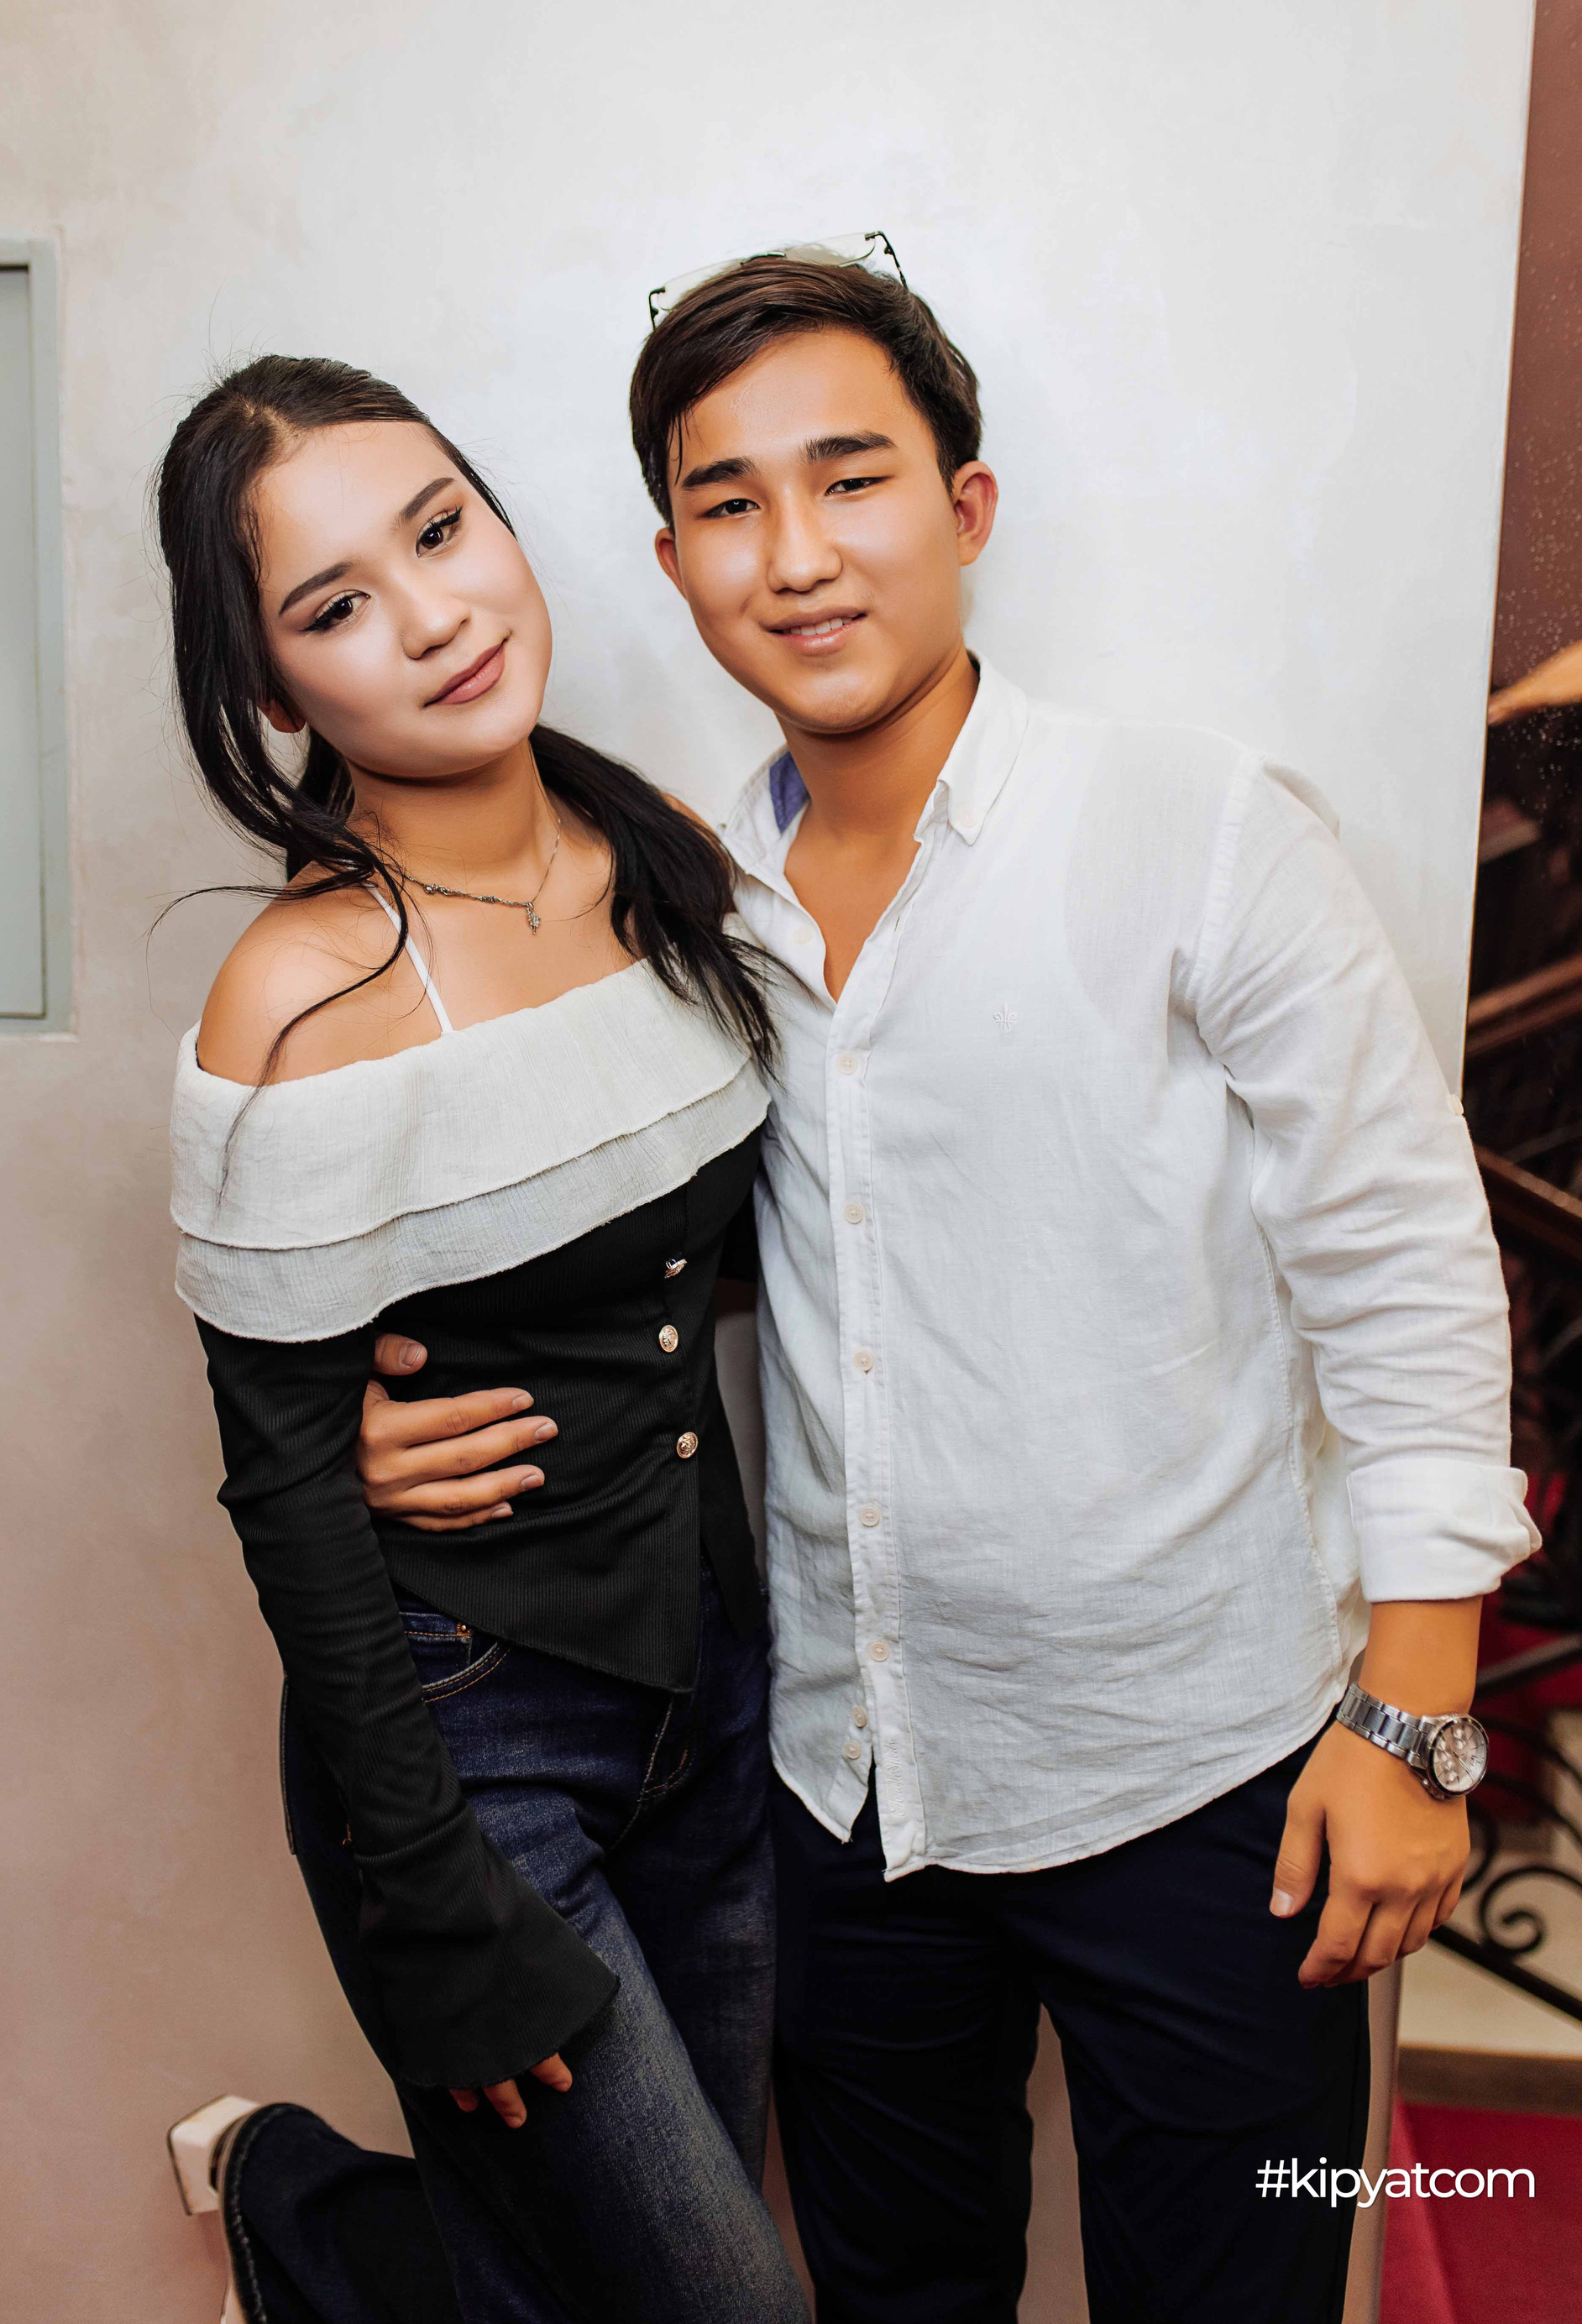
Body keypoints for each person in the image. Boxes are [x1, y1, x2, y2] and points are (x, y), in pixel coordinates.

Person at [364, 254, 1537, 2321]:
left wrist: (1420, 1711)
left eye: (852, 479)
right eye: (730, 503)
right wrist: (390, 1414)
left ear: (966, 507)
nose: (798, 554)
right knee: (896, 2294)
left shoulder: (1198, 828)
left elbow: (1405, 1261)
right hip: (850, 1783)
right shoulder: (687, 911)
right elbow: (636, 1256)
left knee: (1245, 2278)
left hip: (1216, 1775)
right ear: (674, 561)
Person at [158, 353, 809, 2324]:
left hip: (719, 1684)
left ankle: (306, 2224)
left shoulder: (664, 855)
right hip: (471, 1743)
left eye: (442, 530)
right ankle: (304, 2213)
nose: (435, 615)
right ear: (275, 691)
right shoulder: (296, 994)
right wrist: (433, 1898)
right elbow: (286, 1504)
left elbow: (712, 1252)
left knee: (588, 2280)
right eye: (337, 603)